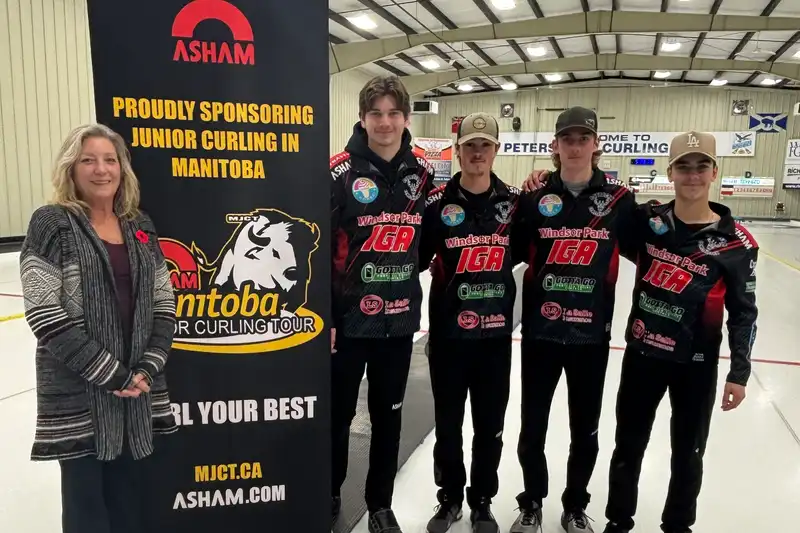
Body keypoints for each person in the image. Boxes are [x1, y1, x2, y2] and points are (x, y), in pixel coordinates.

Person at [19, 123, 177, 533]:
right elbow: (43, 313)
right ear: (71, 169)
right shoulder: (51, 223)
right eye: (88, 160)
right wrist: (112, 375)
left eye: (109, 159)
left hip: (136, 393)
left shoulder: (139, 225)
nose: (101, 169)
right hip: (79, 395)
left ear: (122, 168)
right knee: (86, 509)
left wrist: (147, 366)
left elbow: (164, 301)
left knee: (130, 505)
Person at [600, 131, 756, 533]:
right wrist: (543, 178)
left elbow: (744, 312)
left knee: (689, 453)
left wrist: (739, 373)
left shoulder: (736, 244)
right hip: (643, 355)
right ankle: (618, 521)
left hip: (696, 365)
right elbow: (600, 205)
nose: (692, 175)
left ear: (714, 172)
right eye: (683, 167)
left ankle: (678, 525)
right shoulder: (648, 222)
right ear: (670, 173)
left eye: (701, 166)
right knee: (628, 445)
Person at [509, 106, 637, 533]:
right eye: (568, 138)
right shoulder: (533, 197)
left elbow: (651, 252)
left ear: (596, 144)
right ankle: (531, 501)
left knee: (586, 430)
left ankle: (575, 506)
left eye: (584, 138)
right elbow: (510, 250)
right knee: (533, 426)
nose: (576, 146)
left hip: (591, 336)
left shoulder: (619, 201)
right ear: (556, 145)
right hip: (540, 334)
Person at [329, 75, 436, 533]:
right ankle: (330, 491)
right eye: (376, 113)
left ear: (406, 118)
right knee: (337, 416)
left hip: (398, 324)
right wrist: (328, 316)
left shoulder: (423, 175)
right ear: (362, 118)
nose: (385, 122)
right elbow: (317, 249)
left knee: (388, 420)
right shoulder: (338, 173)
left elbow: (430, 243)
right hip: (347, 323)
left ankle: (380, 504)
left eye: (393, 113)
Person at [418, 113, 520, 533]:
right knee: (448, 425)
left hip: (494, 337)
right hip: (448, 336)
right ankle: (449, 498)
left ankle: (482, 501)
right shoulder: (436, 204)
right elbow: (416, 257)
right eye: (470, 145)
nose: (477, 153)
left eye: (485, 145)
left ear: (496, 150)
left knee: (490, 427)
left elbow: (529, 251)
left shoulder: (516, 204)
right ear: (457, 151)